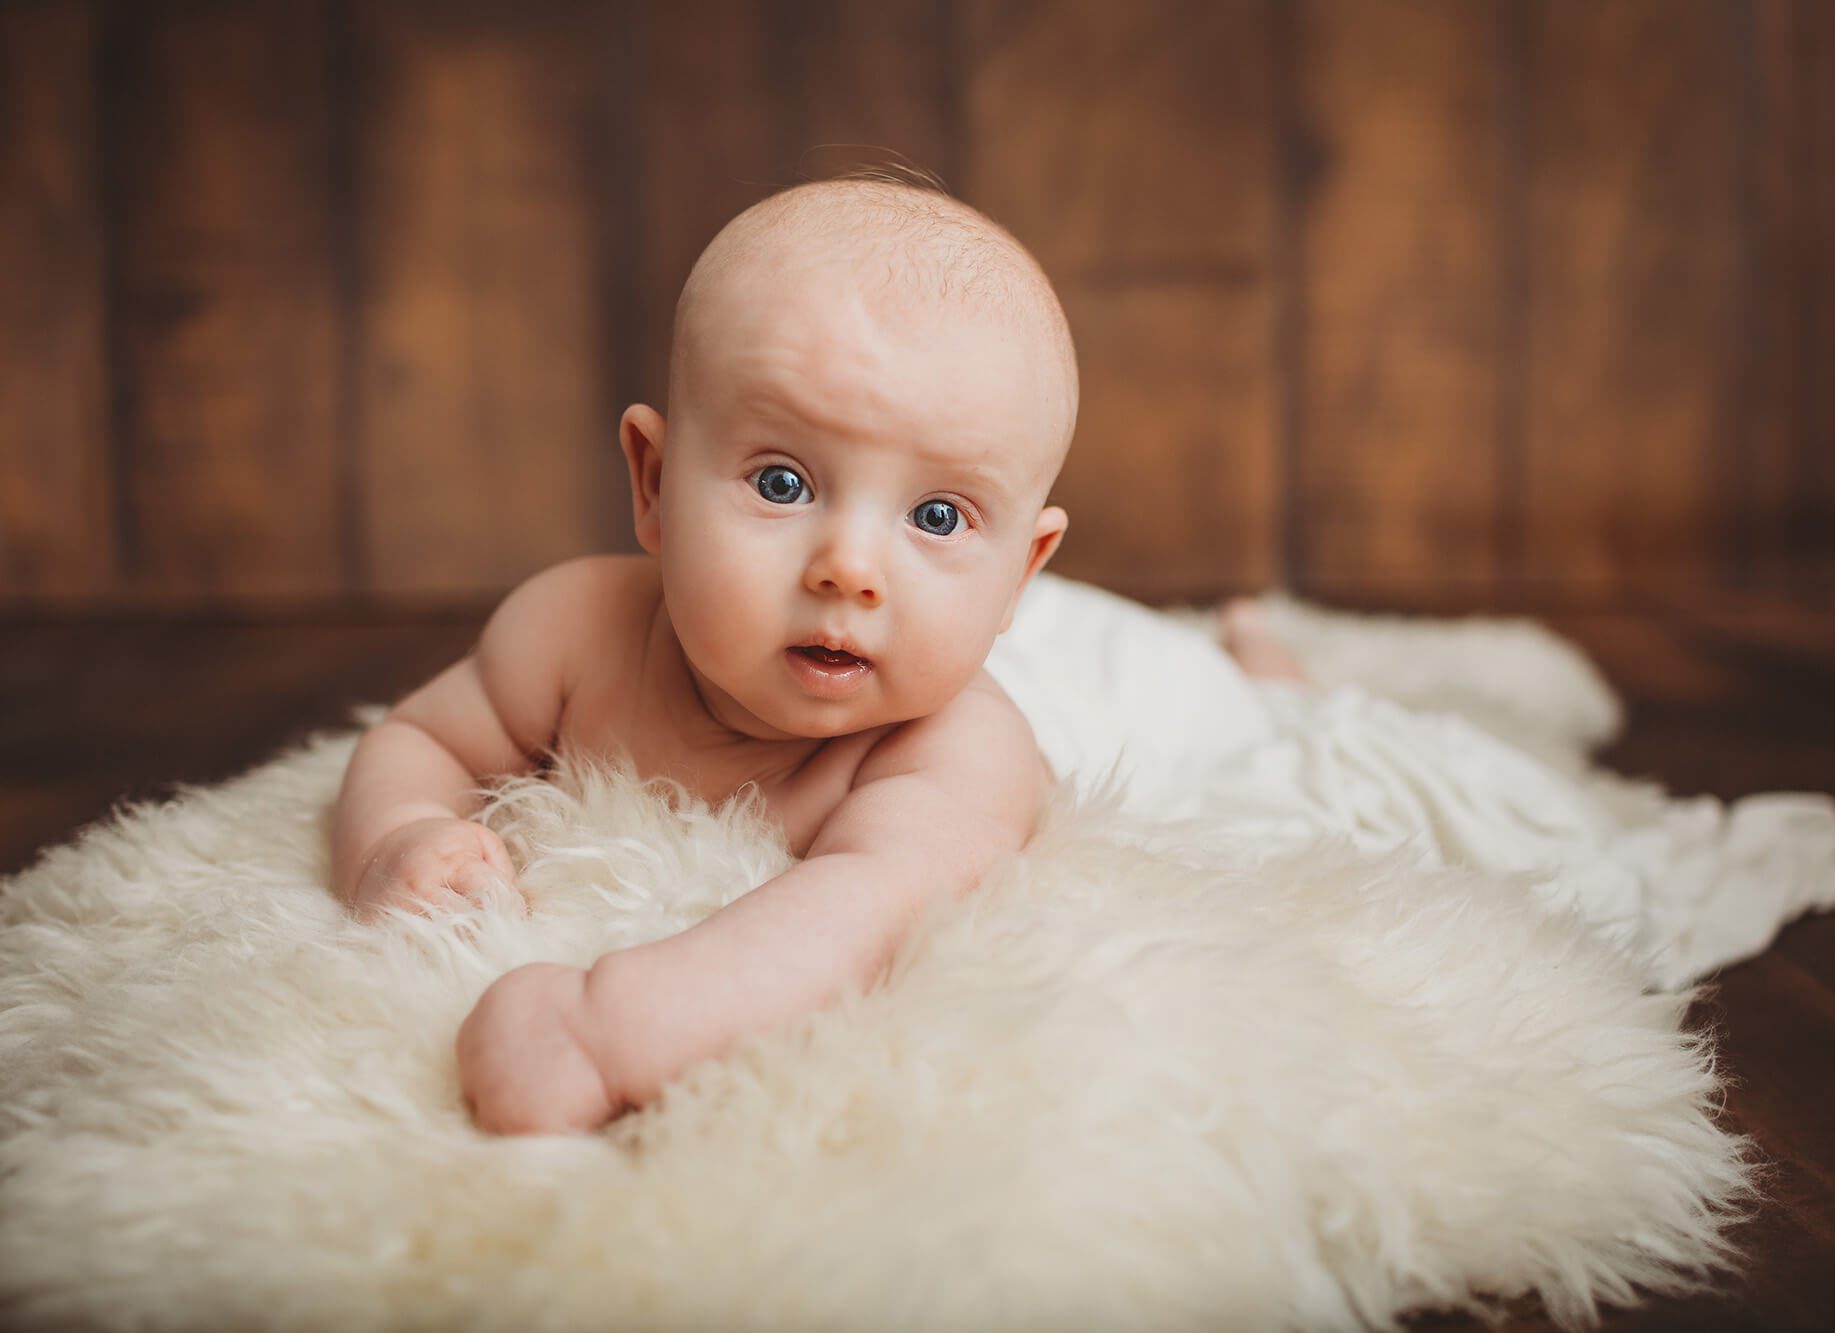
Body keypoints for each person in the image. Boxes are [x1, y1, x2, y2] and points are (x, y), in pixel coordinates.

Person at [329, 176, 1305, 1135]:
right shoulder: (570, 629)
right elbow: (424, 735)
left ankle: (1263, 660)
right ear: (655, 484)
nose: (849, 568)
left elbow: (854, 914)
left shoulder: (956, 754)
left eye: (935, 514)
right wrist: (398, 837)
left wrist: (605, 1032)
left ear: (1020, 569)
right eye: (784, 483)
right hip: (955, 623)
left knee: (1294, 736)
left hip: (1110, 680)